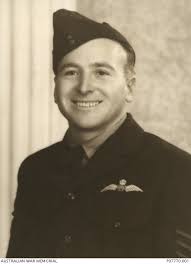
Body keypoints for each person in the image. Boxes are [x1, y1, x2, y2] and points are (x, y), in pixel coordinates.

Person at [7, 9, 191, 258]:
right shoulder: (35, 170)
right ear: (55, 88)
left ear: (129, 87)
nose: (84, 87)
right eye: (71, 72)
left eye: (101, 73)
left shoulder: (176, 170)